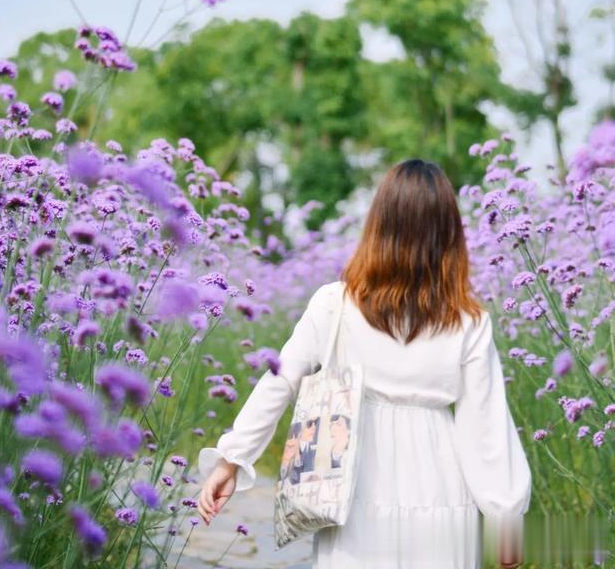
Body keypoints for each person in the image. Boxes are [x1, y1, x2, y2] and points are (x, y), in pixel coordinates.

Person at [197, 158, 532, 568]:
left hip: (349, 479)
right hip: (441, 484)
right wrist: (506, 520)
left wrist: (232, 459)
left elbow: (279, 382)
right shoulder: (469, 320)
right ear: (448, 233)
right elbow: (486, 429)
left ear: (378, 224)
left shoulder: (334, 303)